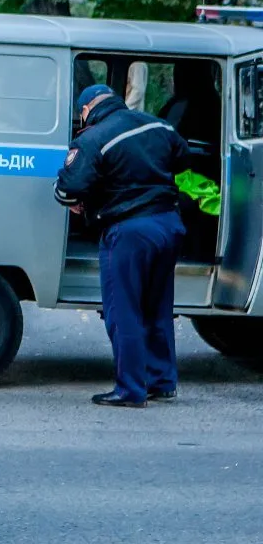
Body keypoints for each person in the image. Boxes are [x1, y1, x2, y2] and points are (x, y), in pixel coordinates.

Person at [55, 84, 191, 407]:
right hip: (169, 224)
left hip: (129, 231)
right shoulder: (157, 124)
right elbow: (183, 157)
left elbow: (68, 187)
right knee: (157, 306)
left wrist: (80, 198)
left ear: (86, 109)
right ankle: (162, 381)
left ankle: (130, 389)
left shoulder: (91, 139)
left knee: (123, 310)